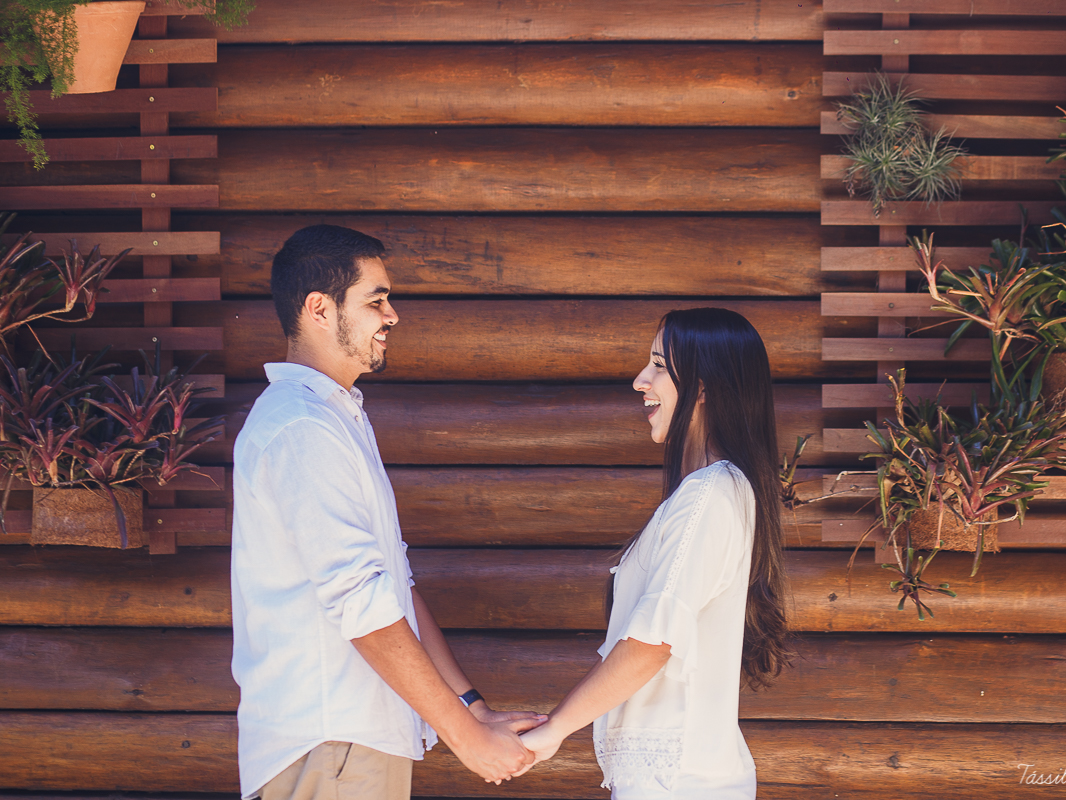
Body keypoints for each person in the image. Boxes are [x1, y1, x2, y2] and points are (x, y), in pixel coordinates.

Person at [230, 224, 541, 800]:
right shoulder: (302, 428)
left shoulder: (334, 417)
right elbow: (359, 598)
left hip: (351, 745)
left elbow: (391, 585)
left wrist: (473, 713)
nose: (391, 315)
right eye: (375, 300)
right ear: (320, 309)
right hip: (328, 741)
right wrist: (465, 740)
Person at [517, 307, 791, 798]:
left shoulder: (710, 494)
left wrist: (553, 730)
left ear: (704, 385)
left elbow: (651, 643)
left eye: (660, 365)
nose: (641, 380)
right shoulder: (711, 492)